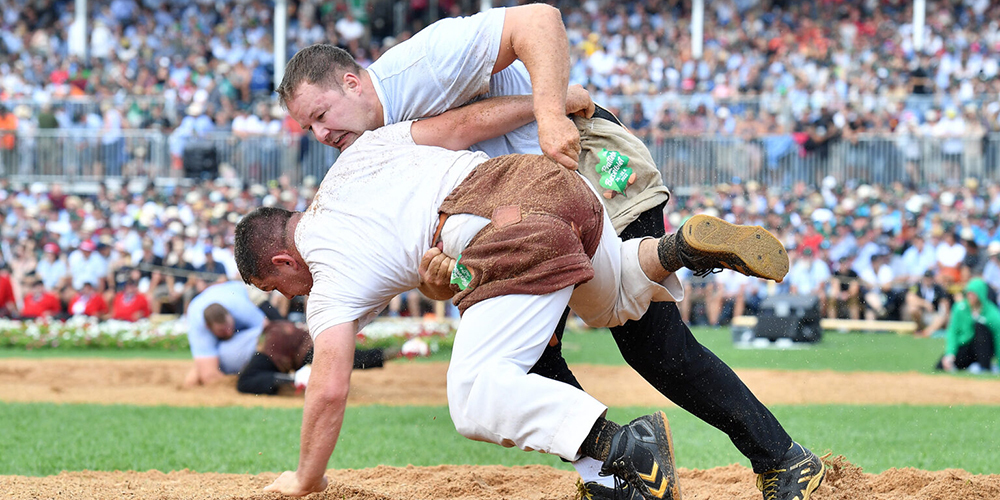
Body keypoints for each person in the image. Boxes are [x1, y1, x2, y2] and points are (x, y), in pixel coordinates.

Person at [277, 7, 822, 499]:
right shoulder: (372, 142)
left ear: (352, 82)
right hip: (527, 208)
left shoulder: (416, 68)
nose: (321, 134)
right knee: (536, 349)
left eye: (322, 114)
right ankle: (677, 256)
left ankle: (778, 461)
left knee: (652, 346)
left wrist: (550, 111)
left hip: (587, 162)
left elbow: (536, 19)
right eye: (309, 127)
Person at [236, 320, 399, 395]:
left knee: (343, 358)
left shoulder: (259, 360)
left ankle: (388, 353)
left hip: (291, 348)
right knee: (343, 358)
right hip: (298, 342)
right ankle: (388, 353)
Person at [183, 281, 268, 388]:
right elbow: (209, 377)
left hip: (245, 293)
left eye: (229, 327)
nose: (228, 332)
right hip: (206, 300)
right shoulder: (198, 324)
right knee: (194, 378)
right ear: (208, 328)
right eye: (222, 330)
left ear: (231, 316)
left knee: (278, 327)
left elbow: (267, 328)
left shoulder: (240, 308)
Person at [935, 278, 1000, 374]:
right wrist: (950, 353)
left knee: (980, 327)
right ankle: (968, 366)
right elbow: (953, 332)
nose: (970, 296)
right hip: (966, 346)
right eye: (968, 293)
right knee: (941, 366)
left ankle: (984, 366)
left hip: (984, 350)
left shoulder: (992, 313)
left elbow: (998, 339)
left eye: (973, 294)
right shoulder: (960, 308)